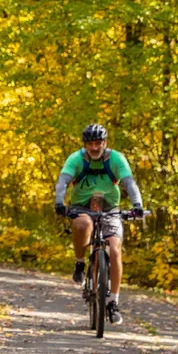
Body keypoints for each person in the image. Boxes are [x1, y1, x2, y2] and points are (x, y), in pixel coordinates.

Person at [53, 123, 143, 325]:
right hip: (82, 206)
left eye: (98, 143)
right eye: (90, 144)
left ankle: (113, 301)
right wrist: (59, 202)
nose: (94, 148)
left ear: (105, 143)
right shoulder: (76, 159)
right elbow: (63, 182)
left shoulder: (116, 159)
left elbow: (129, 182)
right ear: (85, 145)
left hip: (111, 208)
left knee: (114, 249)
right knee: (82, 225)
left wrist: (137, 205)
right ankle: (80, 262)